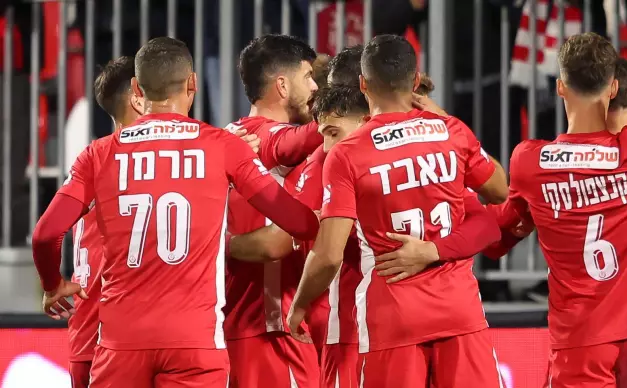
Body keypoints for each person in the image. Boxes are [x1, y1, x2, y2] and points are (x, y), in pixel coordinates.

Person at [31, 37, 319, 388]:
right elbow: (298, 222)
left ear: (139, 88)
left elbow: (45, 234)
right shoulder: (224, 147)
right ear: (192, 83)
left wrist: (53, 284)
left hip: (121, 344)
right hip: (194, 342)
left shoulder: (98, 154)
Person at [288, 34, 508, 388]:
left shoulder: (345, 155)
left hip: (384, 319)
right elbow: (498, 192)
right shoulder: (449, 133)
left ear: (362, 87)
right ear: (416, 81)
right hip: (453, 311)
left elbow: (325, 254)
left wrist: (297, 305)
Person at [486, 33, 627, 387]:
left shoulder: (529, 162)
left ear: (560, 88)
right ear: (614, 89)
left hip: (578, 344)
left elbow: (495, 240)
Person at [222, 34, 324, 388]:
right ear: (282, 85)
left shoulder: (227, 138)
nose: (314, 87)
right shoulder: (265, 139)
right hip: (273, 332)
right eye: (307, 77)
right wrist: (353, 114)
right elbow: (296, 140)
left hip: (238, 328)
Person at [65, 56, 143, 388]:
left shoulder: (90, 160)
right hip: (116, 341)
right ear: (139, 96)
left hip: (83, 336)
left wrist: (51, 285)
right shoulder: (138, 161)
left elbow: (47, 233)